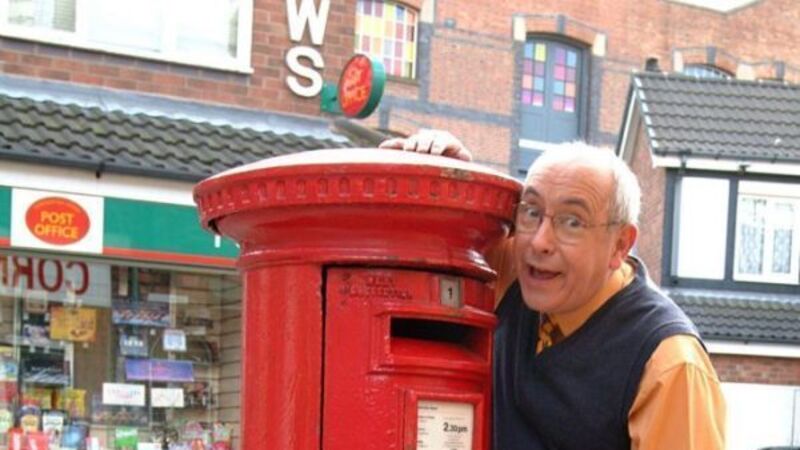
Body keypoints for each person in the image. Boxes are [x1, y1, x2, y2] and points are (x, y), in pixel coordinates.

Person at [380, 130, 726, 450]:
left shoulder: (668, 363)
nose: (539, 242)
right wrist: (445, 173)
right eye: (532, 212)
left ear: (620, 244)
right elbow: (433, 245)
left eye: (572, 222)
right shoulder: (515, 270)